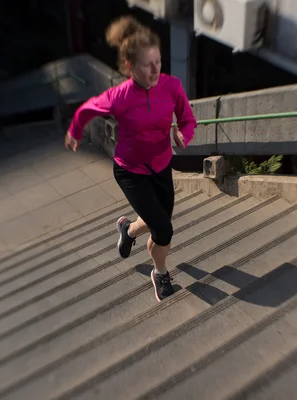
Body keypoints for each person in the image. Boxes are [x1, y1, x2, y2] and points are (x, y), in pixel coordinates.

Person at [64, 15, 197, 302]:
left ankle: (127, 229)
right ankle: (160, 273)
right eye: (147, 65)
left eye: (158, 62)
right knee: (164, 228)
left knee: (156, 221)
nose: (155, 70)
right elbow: (87, 109)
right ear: (130, 67)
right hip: (131, 171)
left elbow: (188, 118)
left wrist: (185, 134)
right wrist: (75, 131)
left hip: (161, 167)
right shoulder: (119, 96)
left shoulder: (171, 87)